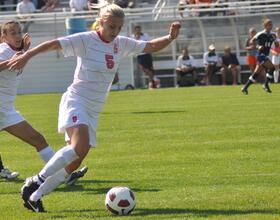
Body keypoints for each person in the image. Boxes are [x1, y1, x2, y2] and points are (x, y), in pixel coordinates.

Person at [8, 4, 181, 212]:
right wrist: (27, 56)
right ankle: (35, 181)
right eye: (111, 27)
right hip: (76, 100)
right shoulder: (86, 39)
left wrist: (170, 37)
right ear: (101, 22)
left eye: (118, 27)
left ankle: (35, 196)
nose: (115, 31)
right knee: (79, 147)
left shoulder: (121, 44)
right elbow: (54, 44)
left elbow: (150, 46)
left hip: (94, 109)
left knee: (73, 163)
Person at [0, 21, 87, 189]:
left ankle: (63, 174)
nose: (18, 36)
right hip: (2, 109)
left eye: (19, 32)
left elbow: (17, 60)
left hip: (6, 110)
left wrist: (24, 52)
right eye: (13, 33)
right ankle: (63, 174)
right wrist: (13, 60)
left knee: (38, 140)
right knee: (38, 140)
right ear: (3, 37)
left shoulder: (17, 51)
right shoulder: (4, 50)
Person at [242, 18, 278, 94]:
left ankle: (245, 87)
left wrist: (275, 41)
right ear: (265, 26)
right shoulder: (261, 33)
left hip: (266, 55)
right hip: (260, 55)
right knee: (272, 68)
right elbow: (252, 41)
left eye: (271, 25)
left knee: (256, 73)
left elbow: (277, 45)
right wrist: (258, 46)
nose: (270, 26)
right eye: (269, 25)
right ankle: (266, 85)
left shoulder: (273, 34)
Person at [132, 25, 157, 89]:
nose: (138, 31)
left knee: (151, 70)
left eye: (139, 29)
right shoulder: (132, 37)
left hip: (147, 54)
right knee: (145, 70)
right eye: (136, 30)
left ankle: (151, 83)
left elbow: (149, 42)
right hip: (140, 56)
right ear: (135, 30)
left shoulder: (145, 35)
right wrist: (136, 39)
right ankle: (152, 82)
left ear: (140, 30)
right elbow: (133, 47)